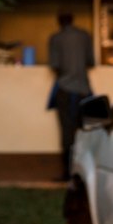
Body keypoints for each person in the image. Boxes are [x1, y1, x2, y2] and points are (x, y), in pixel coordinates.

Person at [48, 12, 94, 180]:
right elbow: (91, 61)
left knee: (67, 132)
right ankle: (82, 172)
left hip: (65, 90)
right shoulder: (85, 36)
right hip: (84, 90)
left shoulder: (56, 38)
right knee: (84, 130)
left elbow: (55, 65)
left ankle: (67, 172)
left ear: (59, 22)